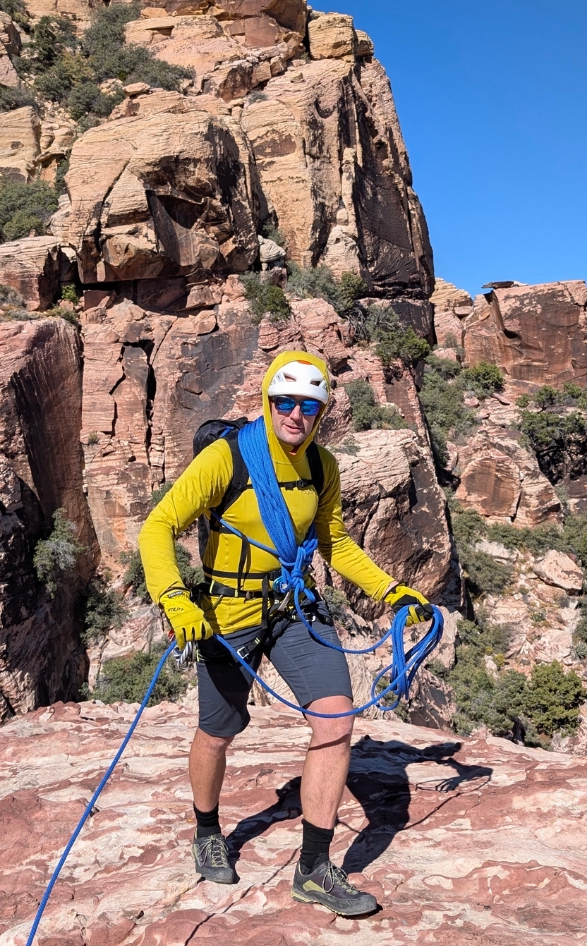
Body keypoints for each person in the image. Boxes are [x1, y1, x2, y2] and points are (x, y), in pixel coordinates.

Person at [139, 350, 432, 917]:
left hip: (292, 607)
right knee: (217, 732)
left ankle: (315, 871)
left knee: (335, 718)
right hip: (227, 613)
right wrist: (174, 598)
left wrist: (392, 590)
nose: (295, 414)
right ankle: (207, 829)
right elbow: (158, 527)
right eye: (285, 403)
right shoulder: (227, 459)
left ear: (321, 412)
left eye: (308, 406)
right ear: (268, 403)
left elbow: (336, 544)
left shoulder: (323, 467)